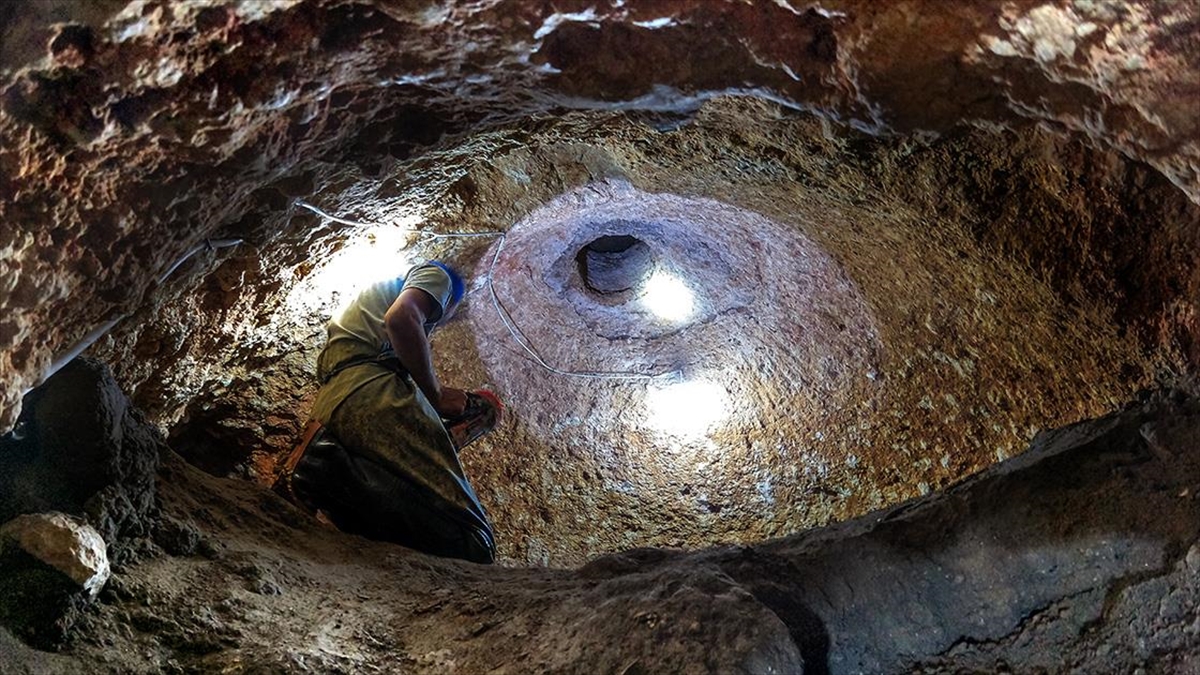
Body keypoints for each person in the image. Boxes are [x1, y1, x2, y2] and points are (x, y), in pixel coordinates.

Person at [275, 260, 500, 564]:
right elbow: (403, 319)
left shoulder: (364, 309)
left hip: (335, 403)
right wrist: (436, 395)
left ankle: (327, 467)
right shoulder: (440, 277)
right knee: (477, 545)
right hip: (374, 392)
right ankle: (327, 466)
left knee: (396, 525)